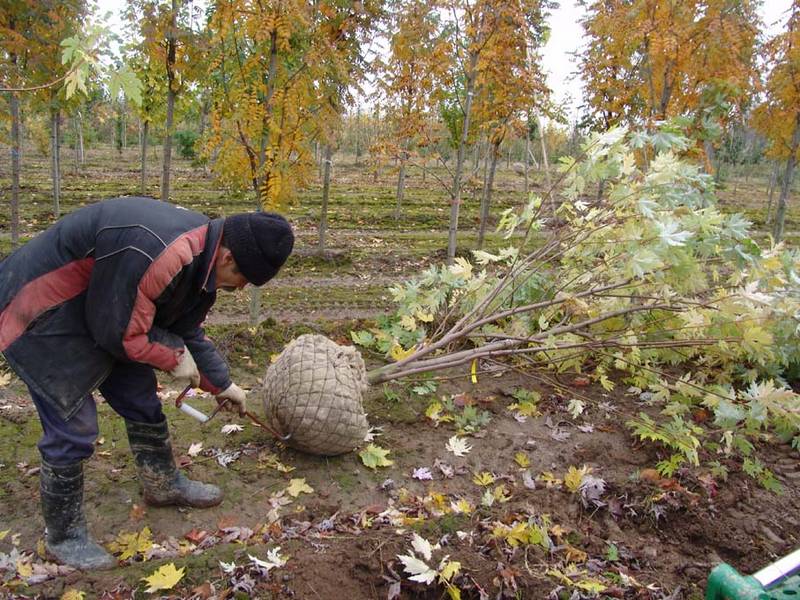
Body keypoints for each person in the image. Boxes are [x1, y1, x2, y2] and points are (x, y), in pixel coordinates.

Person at [0, 196, 294, 570]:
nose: (238, 290)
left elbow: (185, 330)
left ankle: (162, 483)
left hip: (102, 310)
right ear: (228, 258)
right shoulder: (164, 253)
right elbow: (122, 334)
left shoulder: (202, 262)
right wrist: (173, 356)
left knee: (141, 399)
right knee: (73, 426)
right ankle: (64, 536)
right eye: (242, 281)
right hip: (43, 310)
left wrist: (223, 384)